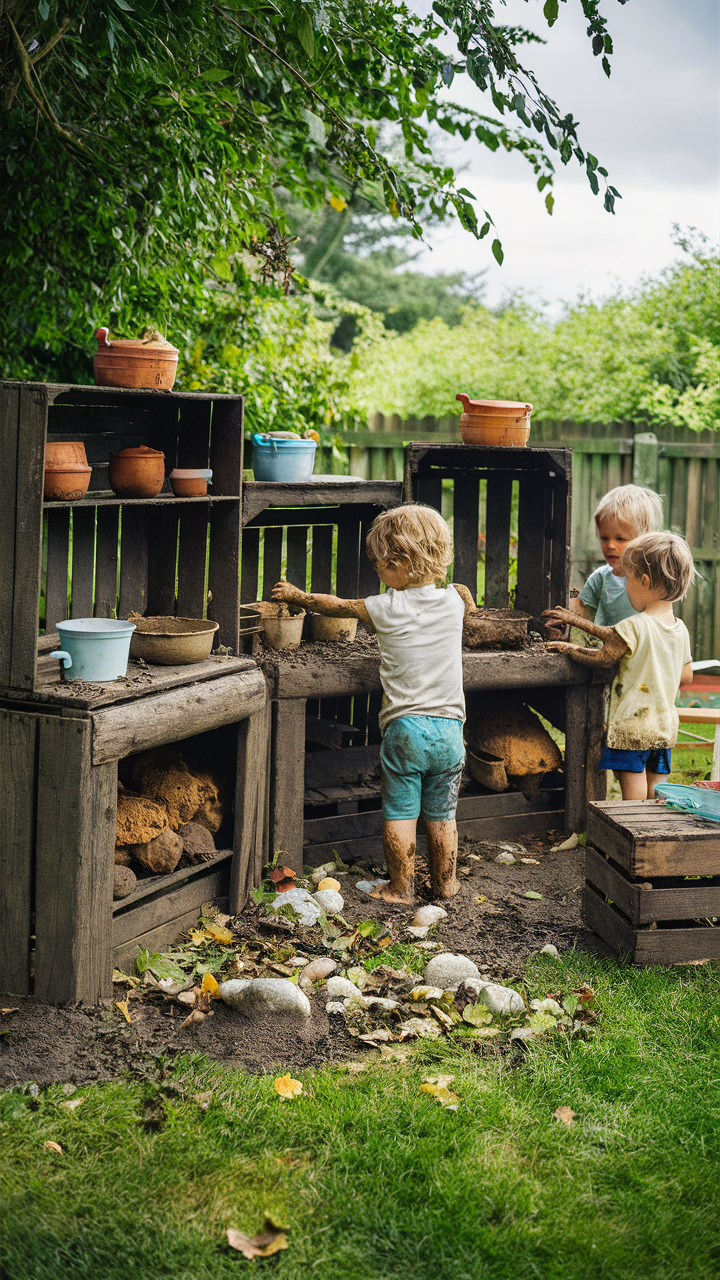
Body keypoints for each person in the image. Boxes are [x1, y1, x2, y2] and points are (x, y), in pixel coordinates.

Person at [272, 504, 471, 904]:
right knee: (442, 814)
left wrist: (297, 596)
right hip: (451, 731)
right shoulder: (455, 600)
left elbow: (337, 605)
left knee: (401, 813)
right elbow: (466, 598)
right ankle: (446, 885)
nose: (377, 571)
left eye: (380, 564)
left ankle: (401, 888)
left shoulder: (386, 607)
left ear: (399, 563)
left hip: (406, 730)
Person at [543, 531, 694, 800]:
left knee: (633, 791)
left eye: (628, 579)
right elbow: (686, 675)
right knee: (657, 792)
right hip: (665, 725)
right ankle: (657, 835)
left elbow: (603, 657)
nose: (625, 585)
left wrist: (567, 647)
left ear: (644, 581)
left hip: (633, 726)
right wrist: (573, 619)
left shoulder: (635, 625)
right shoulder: (679, 629)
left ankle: (634, 834)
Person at [568, 484, 664, 629]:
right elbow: (582, 610)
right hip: (604, 649)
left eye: (621, 539)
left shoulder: (652, 579)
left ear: (644, 538)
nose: (611, 546)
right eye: (604, 538)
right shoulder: (600, 577)